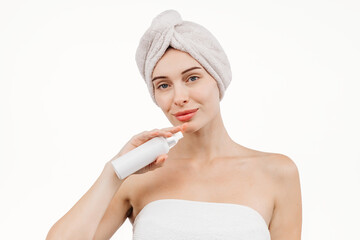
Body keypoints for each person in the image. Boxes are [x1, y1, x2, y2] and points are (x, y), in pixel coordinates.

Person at [47, 9, 302, 240]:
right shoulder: (136, 176)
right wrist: (113, 173)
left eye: (192, 78)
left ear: (218, 79)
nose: (179, 97)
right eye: (164, 85)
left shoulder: (277, 173)